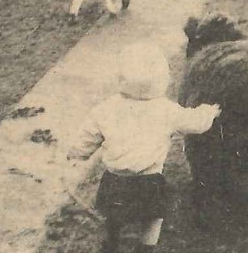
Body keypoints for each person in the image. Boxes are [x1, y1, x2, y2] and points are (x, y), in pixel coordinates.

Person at [67, 43, 221, 253]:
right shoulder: (166, 110)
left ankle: (111, 242)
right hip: (148, 180)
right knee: (153, 218)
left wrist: (77, 152)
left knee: (113, 215)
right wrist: (209, 112)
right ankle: (145, 249)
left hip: (115, 179)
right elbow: (195, 122)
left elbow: (88, 136)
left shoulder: (107, 108)